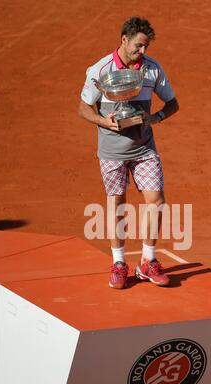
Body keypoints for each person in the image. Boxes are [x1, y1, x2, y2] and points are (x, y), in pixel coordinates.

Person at [79, 16, 179, 289]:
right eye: (138, 46)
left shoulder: (152, 70)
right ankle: (119, 263)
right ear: (124, 40)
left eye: (145, 47)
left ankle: (147, 261)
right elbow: (84, 108)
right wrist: (104, 121)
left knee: (156, 201)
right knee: (118, 205)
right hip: (112, 151)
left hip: (145, 147)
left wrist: (155, 118)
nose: (142, 52)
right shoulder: (101, 70)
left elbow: (172, 103)